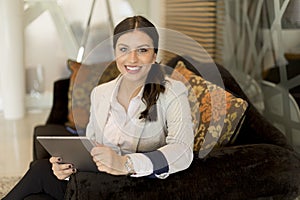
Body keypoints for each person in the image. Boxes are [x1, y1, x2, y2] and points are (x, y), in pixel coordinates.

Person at [3, 15, 194, 200]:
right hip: (98, 181)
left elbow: (182, 152)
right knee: (39, 188)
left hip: (138, 185)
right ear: (115, 53)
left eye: (142, 50)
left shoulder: (172, 92)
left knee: (39, 172)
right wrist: (68, 167)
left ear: (154, 55)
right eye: (124, 49)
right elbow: (91, 144)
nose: (132, 58)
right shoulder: (101, 93)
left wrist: (125, 164)